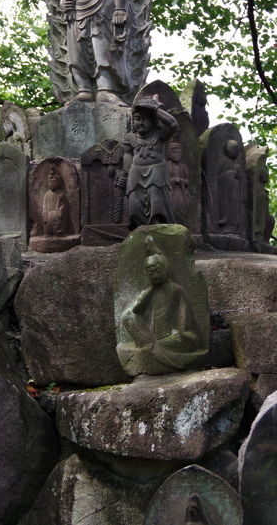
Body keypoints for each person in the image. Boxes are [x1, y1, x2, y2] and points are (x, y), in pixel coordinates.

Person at [118, 237, 204, 373]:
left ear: (166, 270)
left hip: (172, 338)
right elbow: (135, 310)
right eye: (150, 273)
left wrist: (184, 333)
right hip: (150, 336)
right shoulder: (149, 292)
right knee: (127, 315)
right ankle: (151, 346)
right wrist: (148, 292)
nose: (155, 276)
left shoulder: (176, 289)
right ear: (146, 275)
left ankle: (153, 349)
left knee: (189, 340)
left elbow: (183, 316)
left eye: (158, 271)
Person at [117, 96, 178, 229]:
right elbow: (128, 154)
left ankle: (158, 228)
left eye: (145, 119)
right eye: (137, 119)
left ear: (154, 120)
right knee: (135, 204)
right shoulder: (131, 137)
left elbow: (173, 124)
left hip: (156, 172)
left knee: (156, 204)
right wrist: (125, 172)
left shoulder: (160, 134)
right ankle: (140, 229)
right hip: (135, 173)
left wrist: (155, 109)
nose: (141, 122)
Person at [41, 167, 70, 237]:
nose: (52, 184)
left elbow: (63, 205)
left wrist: (60, 209)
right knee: (47, 225)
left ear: (58, 183)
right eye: (50, 182)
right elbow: (44, 205)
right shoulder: (47, 194)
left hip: (57, 213)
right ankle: (48, 234)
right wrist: (44, 212)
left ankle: (58, 234)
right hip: (48, 213)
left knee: (58, 224)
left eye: (54, 182)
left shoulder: (61, 193)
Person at [167, 140, 190, 225]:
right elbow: (163, 180)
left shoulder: (184, 167)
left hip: (181, 192)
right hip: (170, 192)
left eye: (179, 152)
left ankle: (182, 224)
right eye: (174, 152)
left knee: (183, 208)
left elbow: (187, 182)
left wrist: (181, 181)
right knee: (170, 208)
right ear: (169, 153)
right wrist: (173, 180)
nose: (177, 155)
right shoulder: (166, 166)